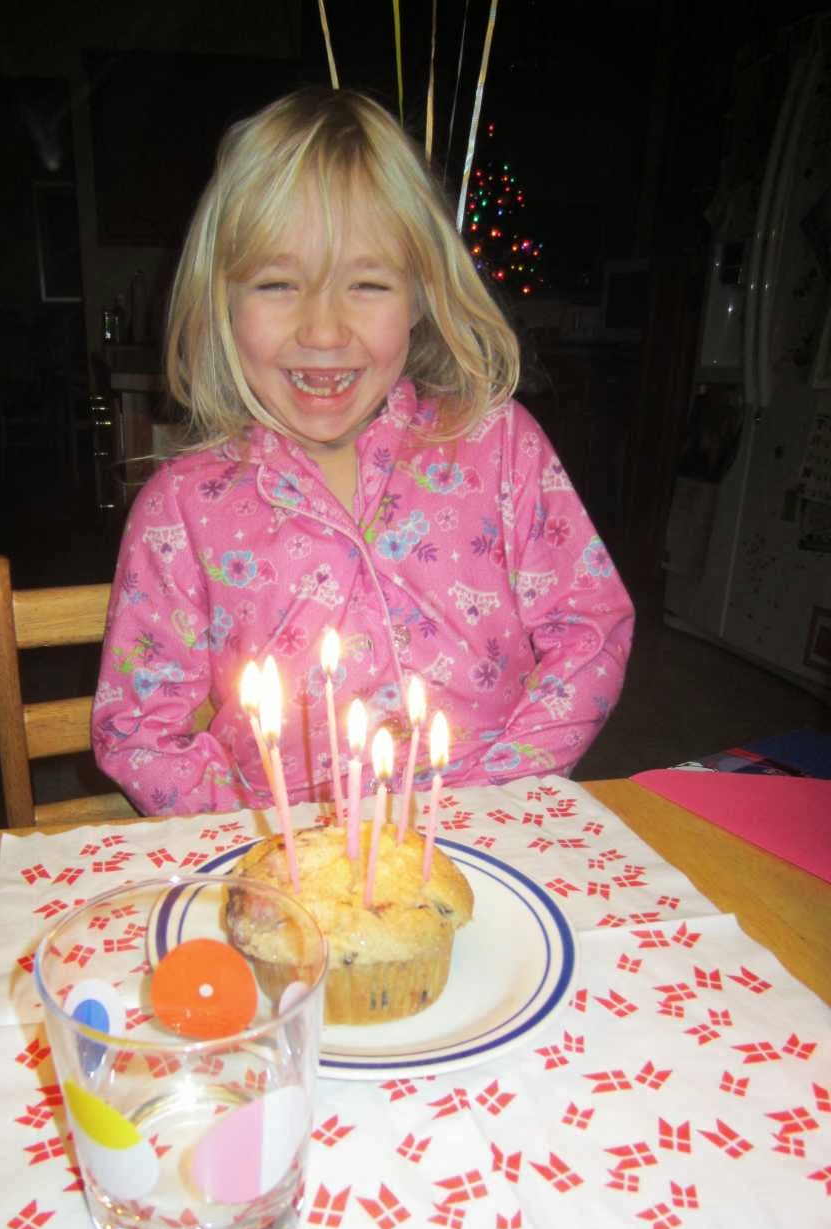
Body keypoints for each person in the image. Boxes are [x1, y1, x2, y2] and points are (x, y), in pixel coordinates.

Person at [92, 87, 634, 816]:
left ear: (420, 295)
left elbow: (592, 628)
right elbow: (137, 729)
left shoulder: (500, 446)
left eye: (368, 284)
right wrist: (266, 834)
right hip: (287, 854)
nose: (323, 330)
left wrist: (501, 793)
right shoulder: (181, 509)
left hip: (490, 830)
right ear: (221, 301)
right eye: (277, 283)